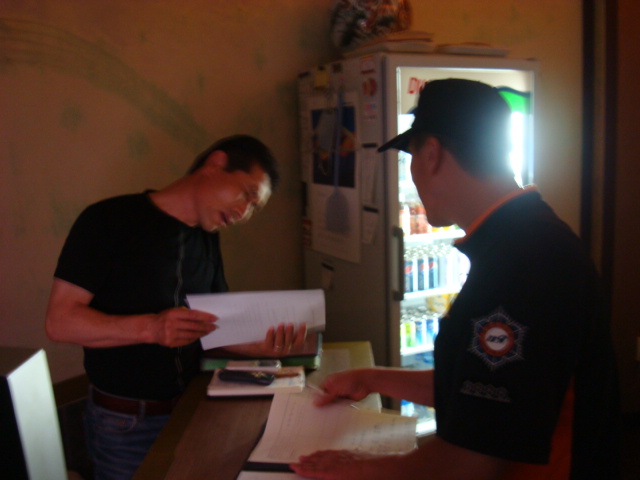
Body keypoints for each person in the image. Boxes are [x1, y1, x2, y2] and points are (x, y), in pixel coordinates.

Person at [290, 79, 621, 480]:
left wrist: (361, 469)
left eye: (411, 156)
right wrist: (372, 378)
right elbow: (481, 388)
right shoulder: (522, 236)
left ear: (431, 154)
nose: (413, 173)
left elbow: (471, 461)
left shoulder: (525, 262)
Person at [45, 134, 306, 480]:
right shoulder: (108, 220)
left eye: (254, 208)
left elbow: (211, 326)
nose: (244, 213)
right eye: (246, 194)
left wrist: (258, 346)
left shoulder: (206, 238)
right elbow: (60, 321)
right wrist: (150, 328)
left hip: (194, 408)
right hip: (125, 424)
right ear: (215, 164)